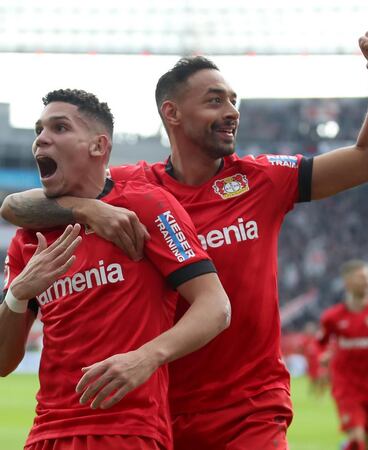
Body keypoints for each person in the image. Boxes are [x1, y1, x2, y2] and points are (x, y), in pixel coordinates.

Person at [1, 26, 368, 450]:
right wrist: (86, 208)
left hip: (248, 406)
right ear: (172, 113)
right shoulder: (135, 189)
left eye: (233, 101)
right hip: (161, 409)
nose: (231, 111)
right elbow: (16, 205)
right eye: (215, 100)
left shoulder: (262, 179)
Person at [0, 89, 230, 450]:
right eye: (38, 130)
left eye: (59, 128)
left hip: (127, 430)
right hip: (45, 434)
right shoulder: (28, 238)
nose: (41, 138)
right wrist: (17, 295)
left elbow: (216, 307)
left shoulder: (145, 206)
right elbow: (3, 361)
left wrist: (146, 357)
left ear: (98, 146)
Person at [318, 260, 368, 450]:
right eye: (362, 277)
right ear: (347, 282)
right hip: (347, 386)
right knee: (357, 439)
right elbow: (319, 343)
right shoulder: (333, 317)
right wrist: (323, 357)